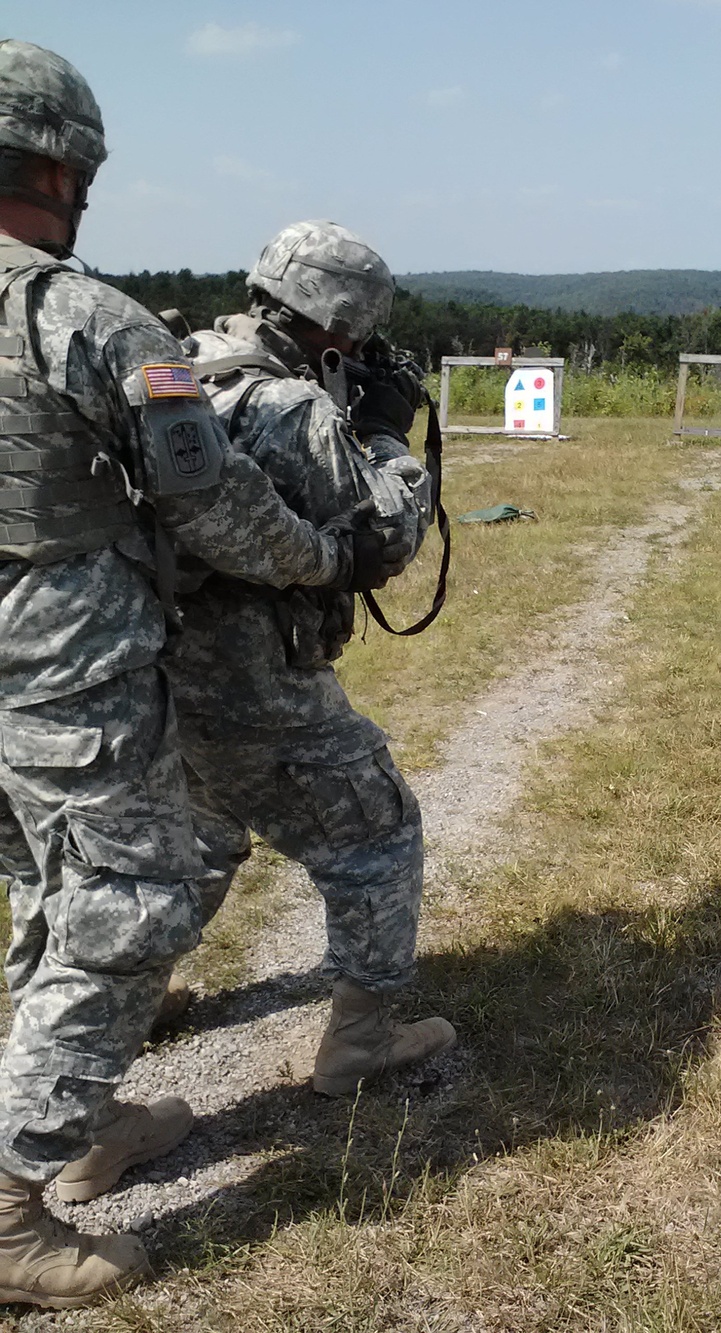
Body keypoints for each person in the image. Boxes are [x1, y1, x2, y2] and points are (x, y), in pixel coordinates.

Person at [0, 43, 399, 1308]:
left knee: (49, 887)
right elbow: (214, 502)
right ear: (65, 167)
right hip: (61, 667)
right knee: (128, 903)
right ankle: (11, 1205)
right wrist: (318, 555)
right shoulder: (79, 319)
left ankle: (88, 1107)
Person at [162, 220, 455, 1097]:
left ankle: (136, 1003)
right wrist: (390, 438)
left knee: (200, 841)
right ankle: (360, 1043)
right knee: (379, 832)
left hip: (158, 670)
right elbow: (387, 535)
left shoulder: (185, 365)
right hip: (253, 682)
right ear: (339, 327)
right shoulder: (288, 408)